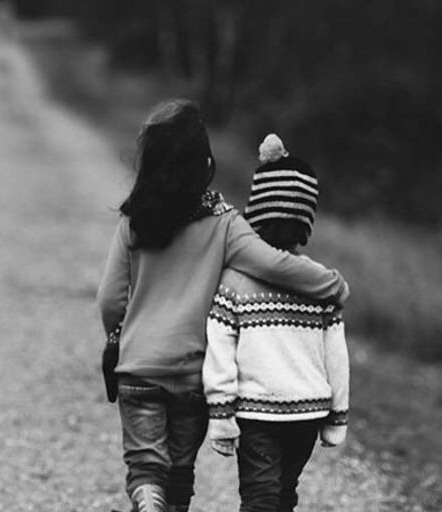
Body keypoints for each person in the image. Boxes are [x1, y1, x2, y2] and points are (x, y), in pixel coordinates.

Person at [96, 102, 349, 512]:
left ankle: (146, 496)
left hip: (139, 367)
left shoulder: (133, 222)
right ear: (206, 164)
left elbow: (110, 298)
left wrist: (119, 336)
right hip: (192, 374)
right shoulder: (224, 223)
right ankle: (167, 501)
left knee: (146, 464)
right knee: (179, 471)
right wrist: (332, 284)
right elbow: (274, 263)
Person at [202, 134, 350, 512]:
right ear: (306, 220)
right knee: (280, 495)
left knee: (263, 497)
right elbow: (337, 355)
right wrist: (337, 415)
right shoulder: (319, 282)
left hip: (257, 415)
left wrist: (220, 413)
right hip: (306, 413)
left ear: (256, 212)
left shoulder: (234, 280)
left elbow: (219, 349)